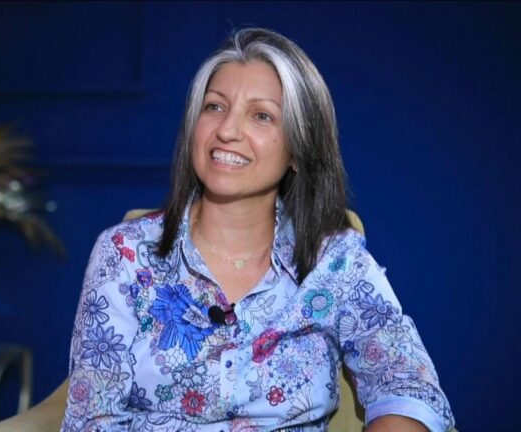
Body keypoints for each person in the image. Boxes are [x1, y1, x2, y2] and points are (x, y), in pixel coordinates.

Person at [62, 28, 454, 431]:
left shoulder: (336, 263)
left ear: (299, 149)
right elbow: (93, 419)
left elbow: (409, 386)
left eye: (262, 115)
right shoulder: (124, 254)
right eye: (215, 107)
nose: (227, 130)